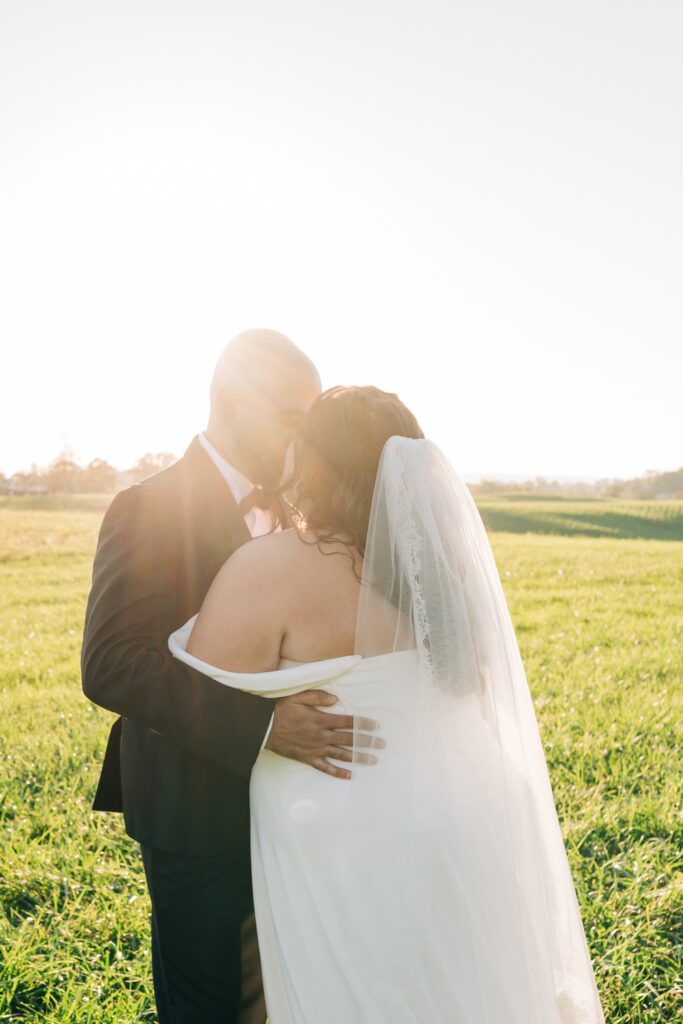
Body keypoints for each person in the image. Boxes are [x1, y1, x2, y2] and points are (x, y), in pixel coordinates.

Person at [169, 384, 607, 1024]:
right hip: (453, 815)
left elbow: (194, 685)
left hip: (340, 834)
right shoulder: (444, 575)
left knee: (351, 993)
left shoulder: (272, 566)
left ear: (316, 463)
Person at [81, 331, 382, 1024]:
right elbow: (112, 664)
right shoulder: (148, 506)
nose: (303, 435)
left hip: (298, 813)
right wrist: (268, 725)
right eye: (287, 415)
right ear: (225, 401)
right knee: (208, 1005)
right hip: (193, 806)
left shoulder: (305, 509)